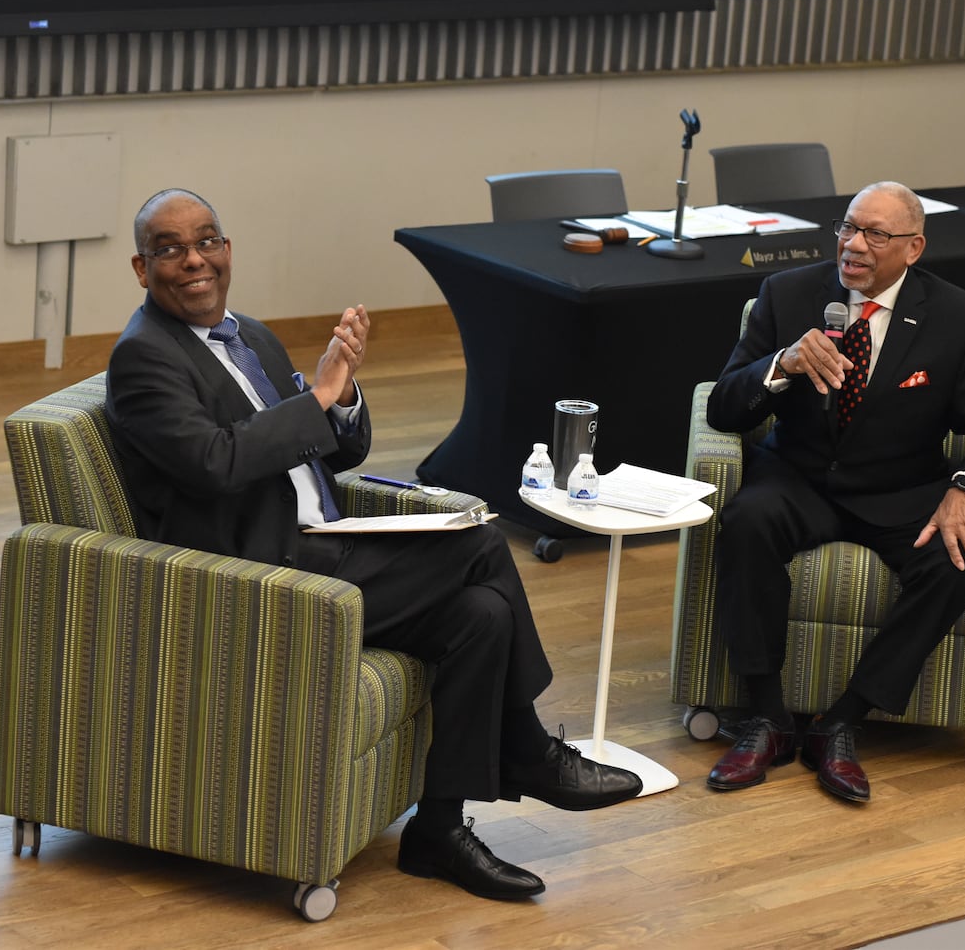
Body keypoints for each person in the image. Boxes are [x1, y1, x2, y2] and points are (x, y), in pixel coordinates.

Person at [104, 188, 642, 900]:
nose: (195, 259)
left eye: (209, 240)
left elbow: (334, 449)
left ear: (228, 250)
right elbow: (218, 461)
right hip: (266, 576)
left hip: (329, 542)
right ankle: (530, 749)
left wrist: (343, 391)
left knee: (481, 615)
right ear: (143, 269)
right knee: (481, 545)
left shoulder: (252, 336)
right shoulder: (143, 359)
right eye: (170, 249)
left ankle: (438, 831)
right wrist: (318, 396)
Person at [703, 180, 965, 803]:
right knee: (748, 522)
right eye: (848, 228)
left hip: (900, 489)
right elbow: (722, 408)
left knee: (956, 559)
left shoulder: (960, 320)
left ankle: (843, 722)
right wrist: (779, 366)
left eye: (875, 234)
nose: (854, 245)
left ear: (912, 248)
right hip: (799, 480)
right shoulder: (788, 294)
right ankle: (767, 718)